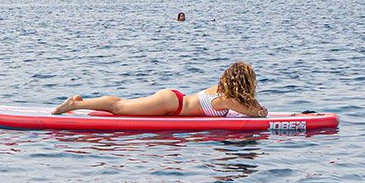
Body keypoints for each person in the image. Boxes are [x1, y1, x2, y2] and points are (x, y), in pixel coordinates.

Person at [53, 61, 267, 118]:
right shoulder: (227, 99)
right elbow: (258, 113)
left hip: (173, 100)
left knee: (122, 103)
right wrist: (257, 105)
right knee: (118, 107)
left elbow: (250, 107)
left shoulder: (222, 90)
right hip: (171, 105)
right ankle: (75, 105)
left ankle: (81, 102)